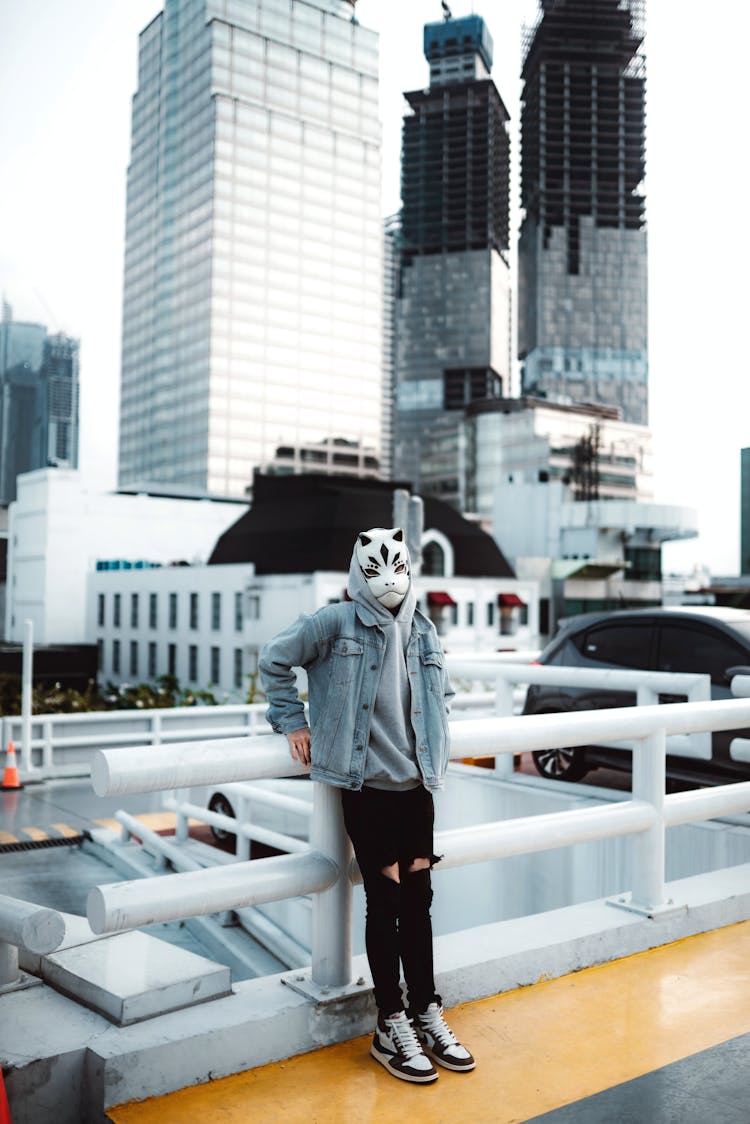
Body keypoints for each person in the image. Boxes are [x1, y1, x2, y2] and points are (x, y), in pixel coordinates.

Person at [259, 526, 475, 1084]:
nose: (389, 579)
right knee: (386, 901)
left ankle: (427, 1010)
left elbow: (442, 695)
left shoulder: (423, 629)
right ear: (358, 569)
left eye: (397, 566)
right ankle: (391, 1023)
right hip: (367, 787)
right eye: (377, 567)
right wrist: (293, 722)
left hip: (418, 787)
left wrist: (439, 736)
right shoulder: (335, 621)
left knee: (419, 900)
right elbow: (274, 661)